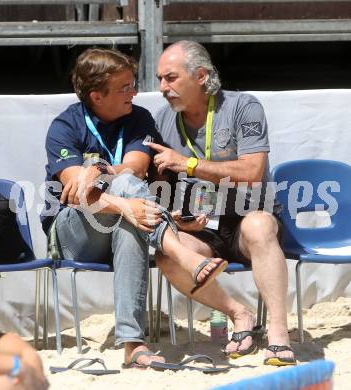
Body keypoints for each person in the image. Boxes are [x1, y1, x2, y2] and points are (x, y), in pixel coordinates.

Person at [41, 47, 227, 368]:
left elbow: (135, 169)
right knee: (131, 202)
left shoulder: (139, 117)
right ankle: (184, 255)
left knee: (133, 216)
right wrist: (121, 200)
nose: (135, 92)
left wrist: (98, 170)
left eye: (133, 84)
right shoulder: (65, 126)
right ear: (97, 96)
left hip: (124, 223)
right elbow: (78, 194)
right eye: (125, 87)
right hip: (75, 235)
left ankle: (133, 345)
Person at [147, 40, 296, 366]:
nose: (162, 87)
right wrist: (177, 215)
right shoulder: (162, 119)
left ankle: (278, 335)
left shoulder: (244, 106)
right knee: (168, 254)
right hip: (202, 227)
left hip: (247, 217)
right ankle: (239, 316)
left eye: (170, 78)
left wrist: (187, 164)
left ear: (201, 75)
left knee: (258, 226)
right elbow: (160, 186)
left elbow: (253, 171)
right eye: (160, 79)